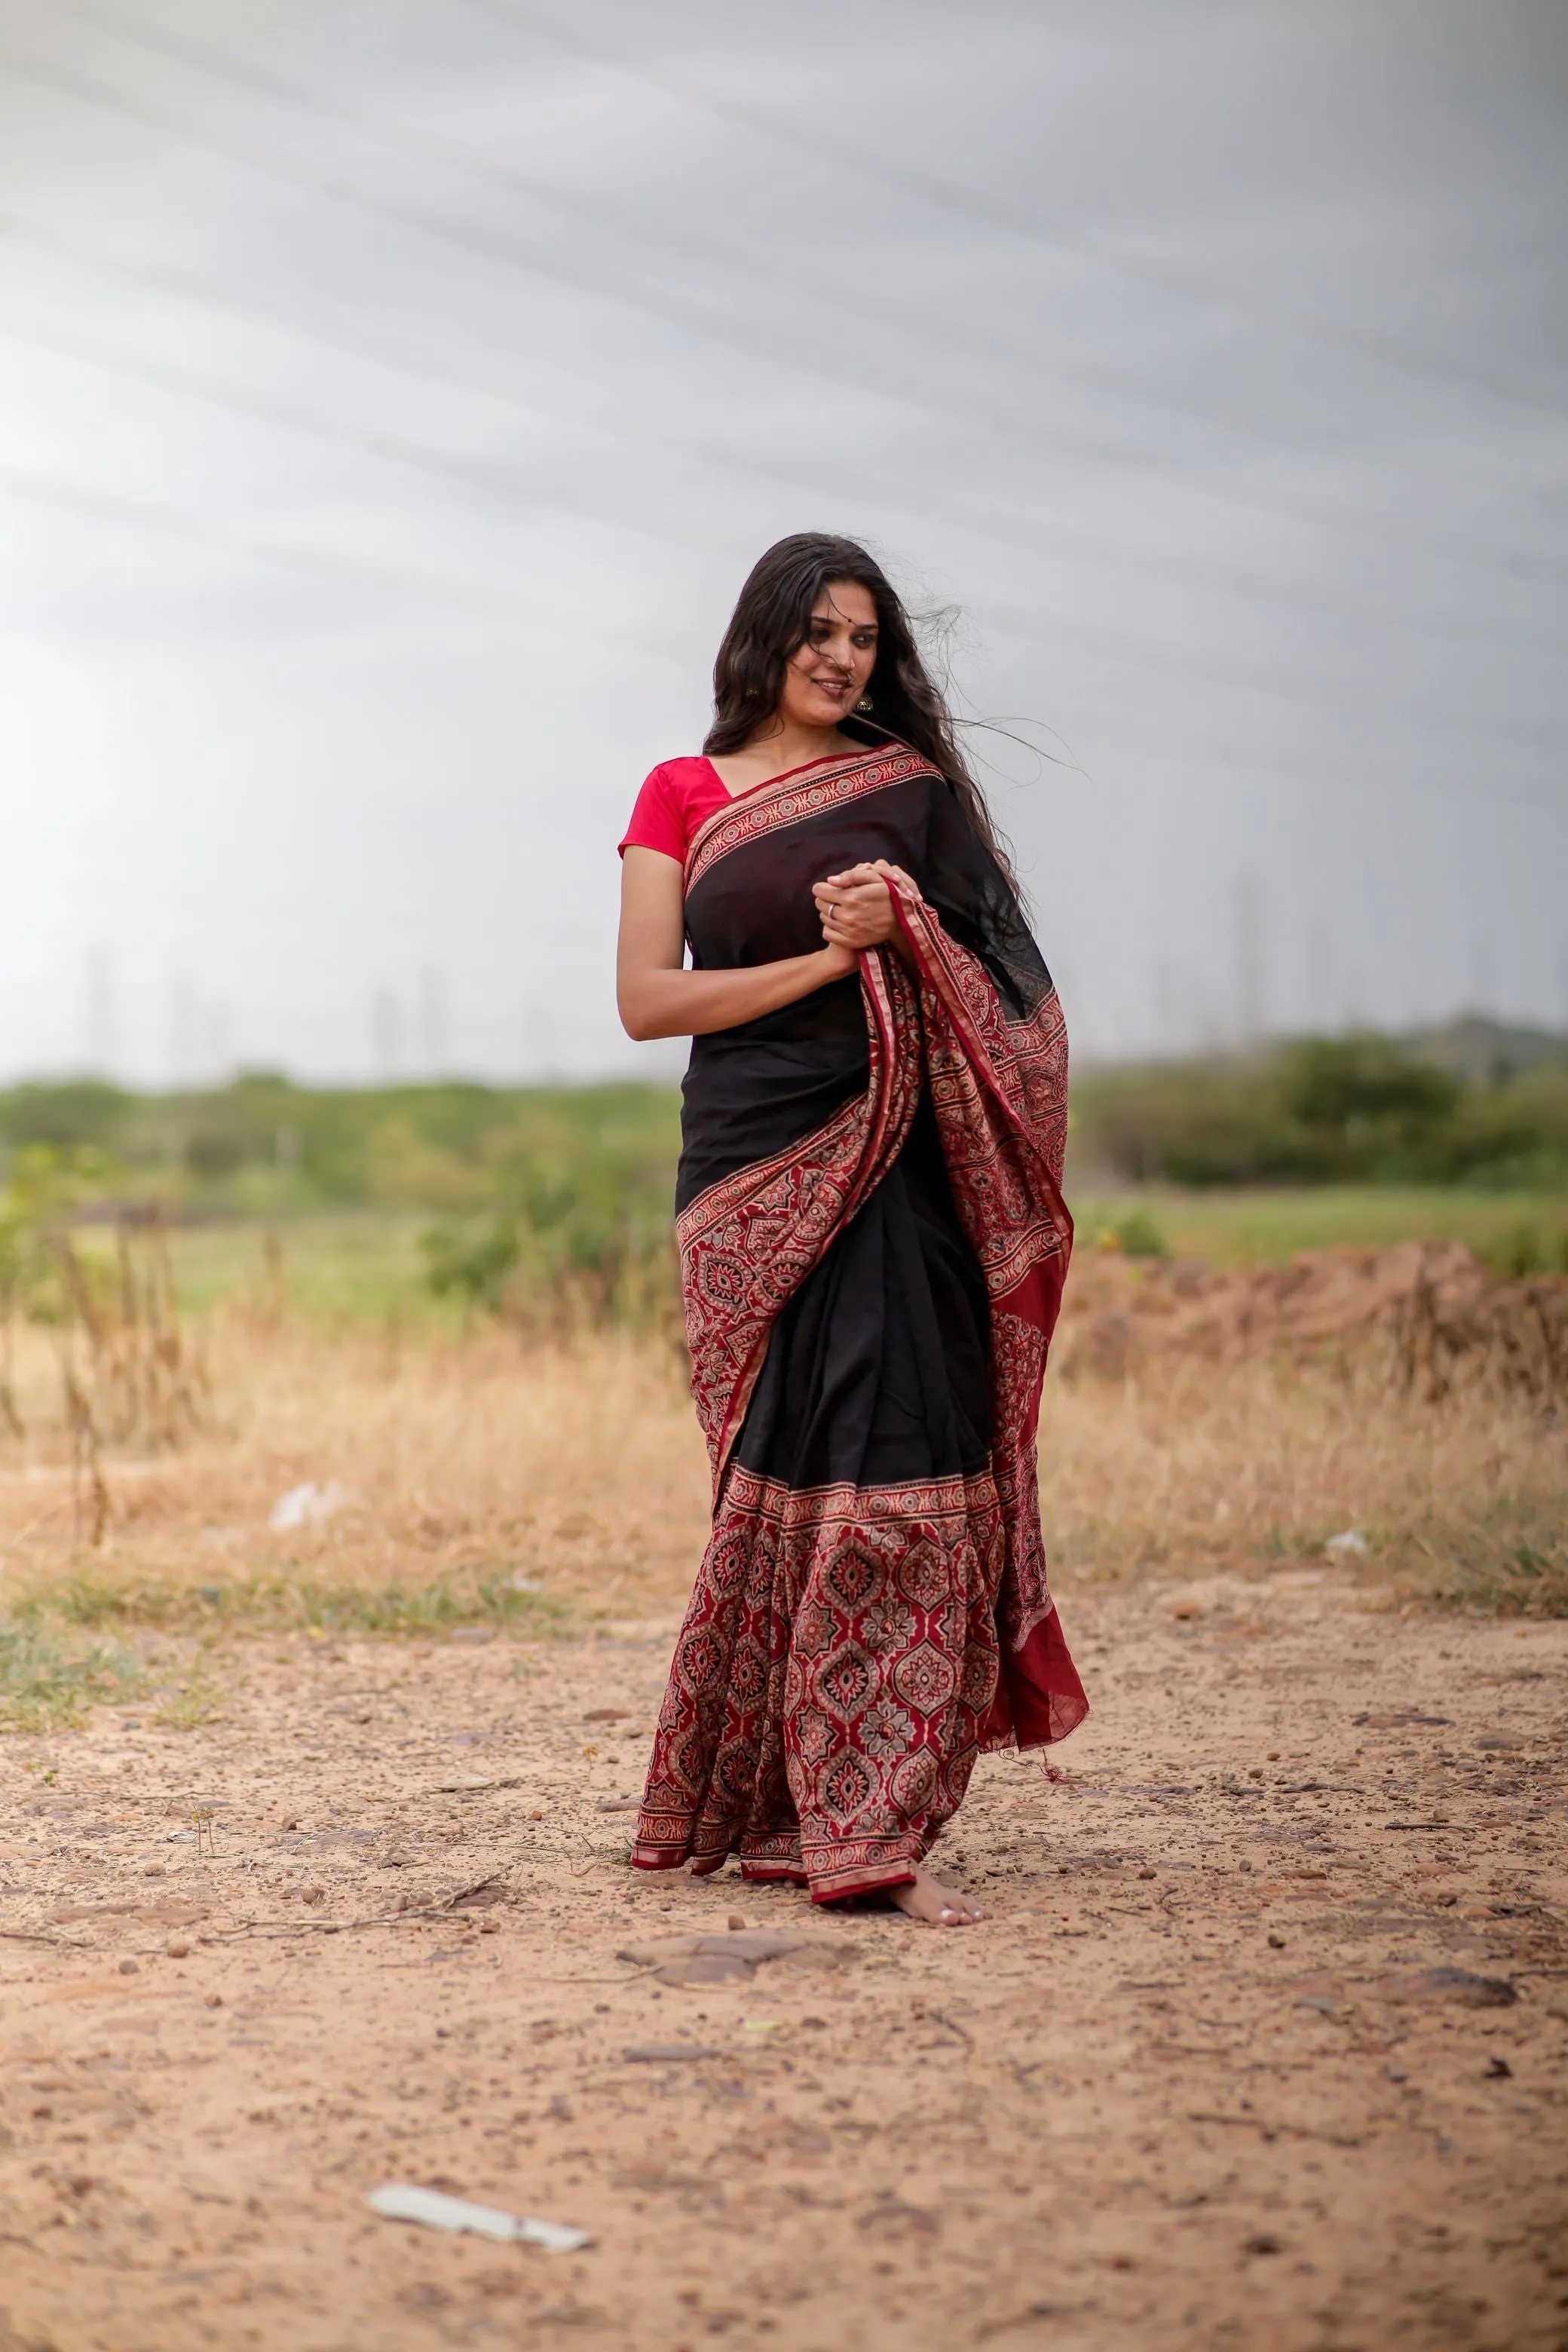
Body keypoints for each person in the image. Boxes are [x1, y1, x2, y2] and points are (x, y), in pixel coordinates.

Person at [616, 532, 1087, 1927]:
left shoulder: (911, 798)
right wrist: (833, 955)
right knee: (785, 1460)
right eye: (818, 629)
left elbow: (1022, 1007)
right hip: (754, 1169)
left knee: (904, 1467)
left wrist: (911, 933)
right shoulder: (682, 792)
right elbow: (648, 1000)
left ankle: (871, 1824)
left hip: (907, 1172)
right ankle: (774, 1800)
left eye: (864, 638)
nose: (841, 656)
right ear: (763, 637)